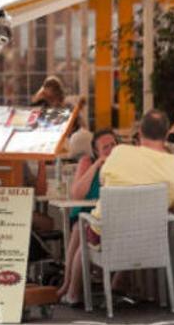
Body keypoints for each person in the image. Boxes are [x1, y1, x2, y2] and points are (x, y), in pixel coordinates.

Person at [87, 109, 174, 244]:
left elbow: (103, 182)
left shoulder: (119, 152)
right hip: (150, 237)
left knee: (82, 230)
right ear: (166, 135)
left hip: (108, 235)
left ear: (140, 132)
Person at [58, 129, 118, 305]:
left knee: (82, 228)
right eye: (105, 147)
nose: (110, 150)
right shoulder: (88, 161)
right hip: (86, 212)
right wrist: (97, 165)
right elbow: (77, 194)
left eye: (113, 145)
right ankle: (68, 284)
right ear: (96, 151)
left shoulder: (123, 165)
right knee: (79, 228)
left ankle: (71, 288)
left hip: (110, 216)